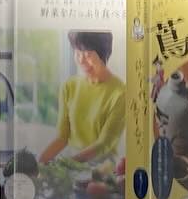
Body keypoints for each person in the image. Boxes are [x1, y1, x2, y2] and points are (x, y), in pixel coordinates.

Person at [39, 31, 126, 168]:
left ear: (103, 54)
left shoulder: (120, 93)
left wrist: (65, 164)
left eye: (87, 55)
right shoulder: (70, 86)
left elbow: (104, 144)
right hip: (71, 167)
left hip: (102, 170)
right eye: (77, 53)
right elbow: (62, 137)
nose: (81, 60)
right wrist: (39, 162)